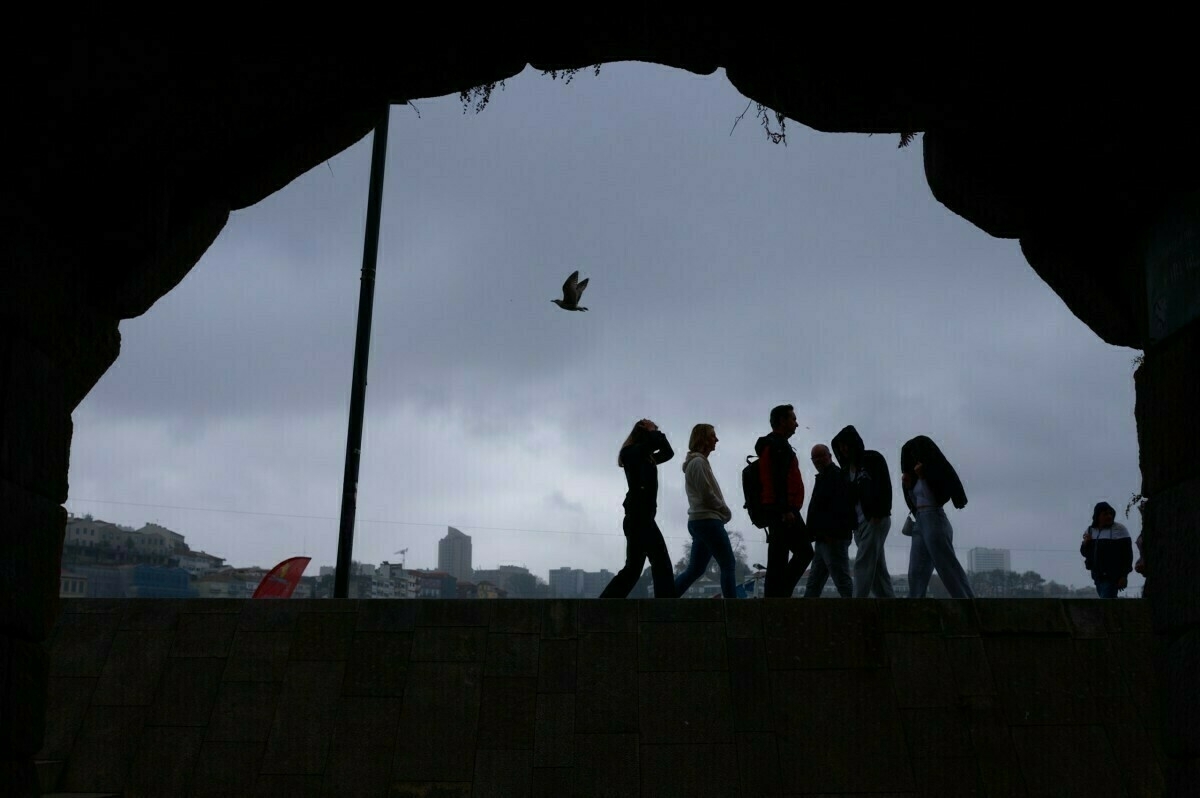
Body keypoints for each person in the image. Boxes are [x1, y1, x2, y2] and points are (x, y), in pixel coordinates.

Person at [599, 419, 678, 598]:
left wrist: (654, 433)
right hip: (639, 517)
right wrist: (652, 431)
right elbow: (652, 444)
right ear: (644, 434)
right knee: (661, 563)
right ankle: (667, 606)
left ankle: (604, 603)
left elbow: (668, 452)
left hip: (641, 517)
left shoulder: (647, 458)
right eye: (653, 430)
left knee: (633, 569)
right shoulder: (630, 454)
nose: (657, 433)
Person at [899, 435, 975, 599]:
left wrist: (923, 476)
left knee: (946, 566)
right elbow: (914, 501)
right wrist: (908, 485)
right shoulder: (913, 476)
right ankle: (915, 606)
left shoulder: (931, 471)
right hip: (920, 520)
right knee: (916, 571)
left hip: (934, 518)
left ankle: (967, 602)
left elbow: (937, 496)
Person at [674, 424, 739, 598]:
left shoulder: (695, 463)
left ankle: (666, 599)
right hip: (708, 520)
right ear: (702, 439)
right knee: (728, 564)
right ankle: (733, 608)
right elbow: (706, 494)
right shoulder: (698, 463)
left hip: (698, 521)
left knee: (695, 569)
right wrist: (724, 510)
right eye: (712, 436)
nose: (716, 439)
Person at [755, 405, 813, 597]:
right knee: (804, 552)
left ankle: (774, 596)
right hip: (784, 509)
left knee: (778, 556)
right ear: (782, 421)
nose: (797, 424)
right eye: (793, 419)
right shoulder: (779, 445)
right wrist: (786, 510)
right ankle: (780, 593)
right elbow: (778, 480)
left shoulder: (771, 445)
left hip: (775, 508)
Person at [831, 425, 895, 598]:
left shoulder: (873, 459)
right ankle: (889, 605)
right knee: (877, 569)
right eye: (840, 446)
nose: (843, 449)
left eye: (846, 444)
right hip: (859, 525)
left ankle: (856, 606)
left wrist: (879, 513)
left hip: (875, 520)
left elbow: (884, 486)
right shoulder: (845, 472)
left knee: (863, 563)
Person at [803, 443, 857, 598]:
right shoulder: (832, 475)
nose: (817, 460)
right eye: (815, 457)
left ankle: (855, 613)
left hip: (832, 537)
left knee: (838, 579)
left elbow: (840, 507)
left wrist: (828, 532)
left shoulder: (834, 476)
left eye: (821, 456)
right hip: (825, 538)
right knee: (817, 581)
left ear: (830, 456)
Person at [1080, 501, 1133, 599]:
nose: (1109, 516)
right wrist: (1086, 543)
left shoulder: (1120, 529)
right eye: (1105, 514)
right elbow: (1085, 553)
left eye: (1110, 514)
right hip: (1097, 576)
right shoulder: (1090, 530)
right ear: (1098, 516)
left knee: (1106, 603)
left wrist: (1124, 576)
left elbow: (1127, 555)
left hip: (1112, 576)